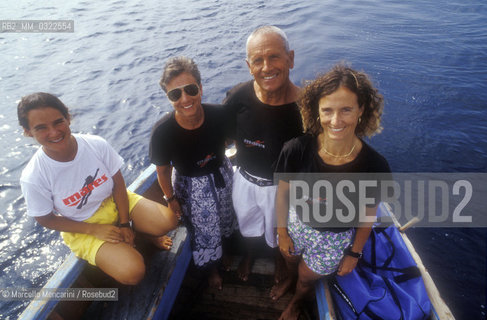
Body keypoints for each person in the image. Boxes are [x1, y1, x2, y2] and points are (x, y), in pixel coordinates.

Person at [18, 92, 178, 285]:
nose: (53, 132)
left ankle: (142, 233)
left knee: (169, 221)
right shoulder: (33, 176)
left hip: (113, 201)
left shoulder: (95, 144)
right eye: (41, 128)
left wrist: (125, 223)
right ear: (28, 131)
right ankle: (127, 244)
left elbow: (118, 184)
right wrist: (93, 230)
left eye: (58, 122)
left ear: (68, 118)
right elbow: (44, 218)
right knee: (133, 272)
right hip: (83, 226)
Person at [274, 64, 391, 319]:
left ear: (361, 110)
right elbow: (282, 194)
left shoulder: (375, 165)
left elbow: (368, 214)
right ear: (317, 111)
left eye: (346, 110)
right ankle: (288, 278)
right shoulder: (295, 150)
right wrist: (282, 232)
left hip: (334, 239)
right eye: (327, 110)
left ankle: (296, 300)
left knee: (307, 278)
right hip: (296, 224)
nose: (335, 121)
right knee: (290, 261)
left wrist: (354, 254)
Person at [223, 25, 303, 283]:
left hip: (282, 190)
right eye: (258, 60)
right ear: (249, 66)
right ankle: (249, 254)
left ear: (290, 58)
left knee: (279, 232)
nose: (266, 67)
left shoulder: (305, 106)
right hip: (244, 180)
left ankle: (279, 259)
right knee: (247, 227)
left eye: (274, 57)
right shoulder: (237, 96)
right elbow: (221, 134)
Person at [149, 56, 237, 290]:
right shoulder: (162, 132)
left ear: (200, 87)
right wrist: (171, 199)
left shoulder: (220, 114)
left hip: (223, 176)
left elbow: (233, 139)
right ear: (168, 98)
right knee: (203, 233)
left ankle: (227, 253)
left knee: (228, 221)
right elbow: (163, 170)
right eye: (175, 94)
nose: (185, 99)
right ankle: (212, 269)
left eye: (190, 89)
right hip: (191, 187)